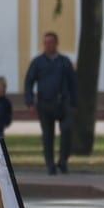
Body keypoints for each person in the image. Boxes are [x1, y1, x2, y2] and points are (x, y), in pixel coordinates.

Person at [23, 31, 77, 174]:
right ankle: (50, 165)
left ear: (56, 43)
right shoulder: (38, 62)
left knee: (67, 131)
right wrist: (30, 101)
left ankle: (63, 161)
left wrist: (74, 103)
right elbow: (29, 82)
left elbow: (73, 83)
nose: (48, 45)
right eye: (45, 43)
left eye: (50, 42)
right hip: (45, 104)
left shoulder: (64, 61)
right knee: (48, 135)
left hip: (63, 103)